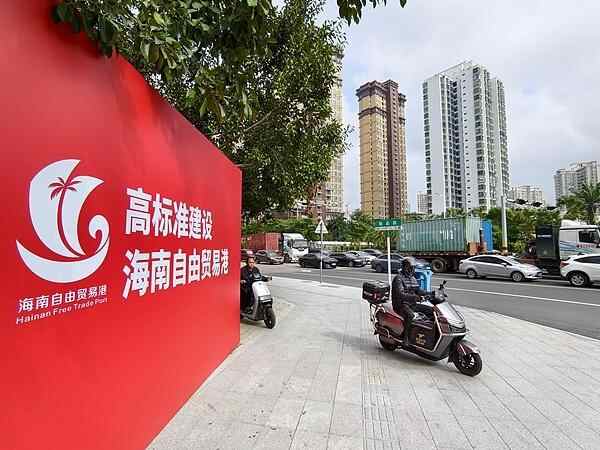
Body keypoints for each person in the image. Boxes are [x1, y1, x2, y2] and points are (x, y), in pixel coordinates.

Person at [391, 258, 429, 345]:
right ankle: (405, 337)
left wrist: (431, 293)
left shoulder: (412, 278)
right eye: (410, 268)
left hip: (411, 304)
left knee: (430, 310)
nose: (412, 270)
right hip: (400, 305)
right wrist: (415, 297)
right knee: (410, 315)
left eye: (413, 268)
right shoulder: (398, 278)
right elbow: (401, 294)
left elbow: (418, 290)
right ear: (404, 267)